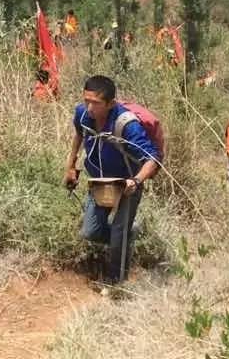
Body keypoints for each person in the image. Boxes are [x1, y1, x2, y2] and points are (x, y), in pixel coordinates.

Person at [64, 75, 160, 288]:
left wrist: (135, 181)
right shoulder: (82, 114)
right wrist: (71, 166)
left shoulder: (126, 124)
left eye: (96, 103)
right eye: (86, 100)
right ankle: (127, 238)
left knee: (118, 230)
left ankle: (116, 280)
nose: (90, 108)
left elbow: (152, 158)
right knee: (90, 231)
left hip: (126, 185)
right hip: (98, 182)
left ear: (111, 103)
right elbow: (79, 135)